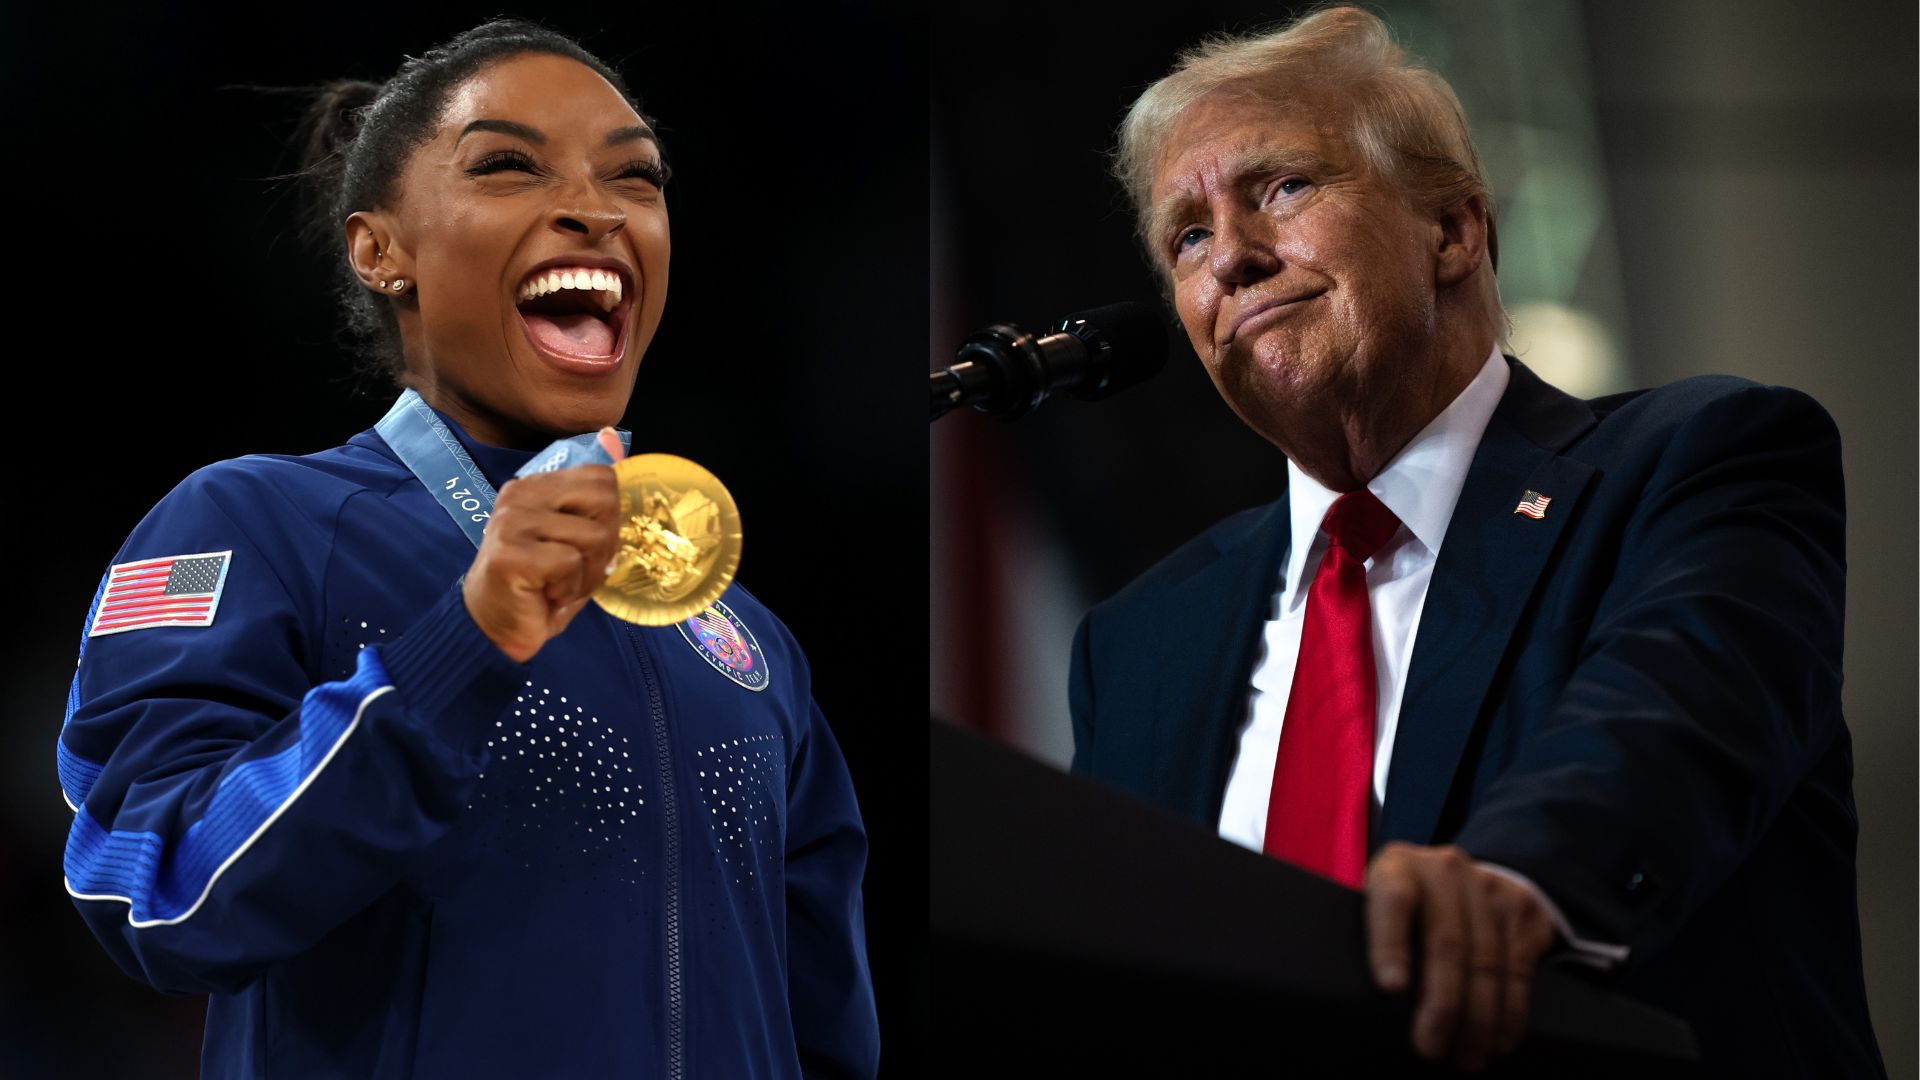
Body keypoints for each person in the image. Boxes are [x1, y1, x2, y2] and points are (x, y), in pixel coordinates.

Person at [56, 20, 879, 1078]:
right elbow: (154, 885)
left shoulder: (740, 632)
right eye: (506, 165)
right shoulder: (253, 524)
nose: (594, 209)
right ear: (379, 248)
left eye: (637, 179)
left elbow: (826, 1034)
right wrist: (464, 646)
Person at [1067, 7, 1880, 1075]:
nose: (1233, 259)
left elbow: (1669, 724)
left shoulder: (1694, 463)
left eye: (1283, 189)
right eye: (1188, 235)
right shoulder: (1137, 640)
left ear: (1452, 229)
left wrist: (1514, 882)